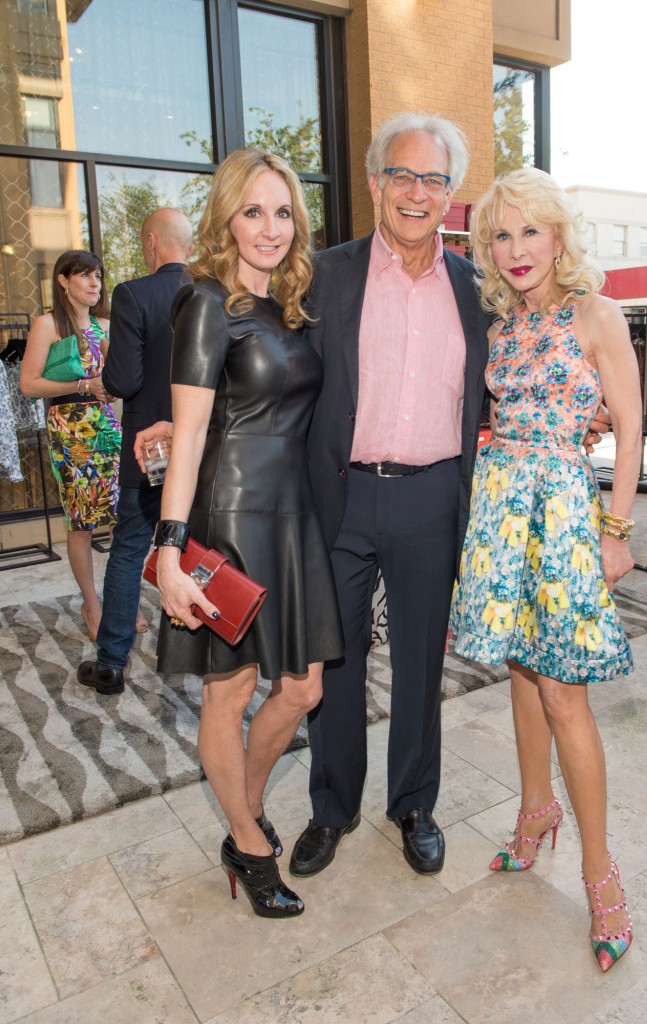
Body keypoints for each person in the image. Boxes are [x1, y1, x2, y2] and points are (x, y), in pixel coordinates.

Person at [289, 113, 491, 879]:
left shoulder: (478, 289)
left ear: (451, 194)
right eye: (401, 175)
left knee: (418, 663)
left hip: (434, 497)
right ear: (374, 183)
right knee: (332, 660)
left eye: (433, 179)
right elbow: (281, 377)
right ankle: (331, 806)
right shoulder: (324, 274)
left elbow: (508, 389)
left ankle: (414, 804)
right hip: (340, 494)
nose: (416, 192)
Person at [449, 167, 642, 972]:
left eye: (531, 229)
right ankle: (535, 812)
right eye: (501, 234)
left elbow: (631, 425)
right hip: (501, 509)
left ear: (559, 235)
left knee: (564, 692)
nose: (517, 247)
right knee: (522, 671)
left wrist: (616, 529)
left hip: (565, 512)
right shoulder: (499, 328)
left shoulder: (596, 315)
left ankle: (602, 875)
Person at [154, 147, 343, 918]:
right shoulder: (205, 301)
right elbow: (193, 435)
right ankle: (249, 838)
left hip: (293, 517)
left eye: (282, 211)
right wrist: (169, 548)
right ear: (226, 220)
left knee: (303, 685)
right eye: (252, 212)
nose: (270, 228)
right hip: (230, 518)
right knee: (228, 692)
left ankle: (244, 809)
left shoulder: (290, 306)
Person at [77, 209, 194, 696]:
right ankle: (207, 658)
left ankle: (111, 663)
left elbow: (123, 379)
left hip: (150, 449)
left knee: (129, 550)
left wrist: (102, 384)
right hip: (204, 446)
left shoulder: (133, 294)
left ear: (150, 242)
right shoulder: (212, 292)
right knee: (199, 547)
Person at [20, 251, 121, 640]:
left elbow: (119, 377)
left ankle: (118, 600)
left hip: (107, 427)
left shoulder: (106, 325)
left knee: (119, 519)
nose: (95, 283)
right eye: (85, 276)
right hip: (69, 430)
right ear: (63, 281)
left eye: (98, 276)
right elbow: (28, 385)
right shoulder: (48, 324)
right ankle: (91, 604)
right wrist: (83, 385)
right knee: (82, 522)